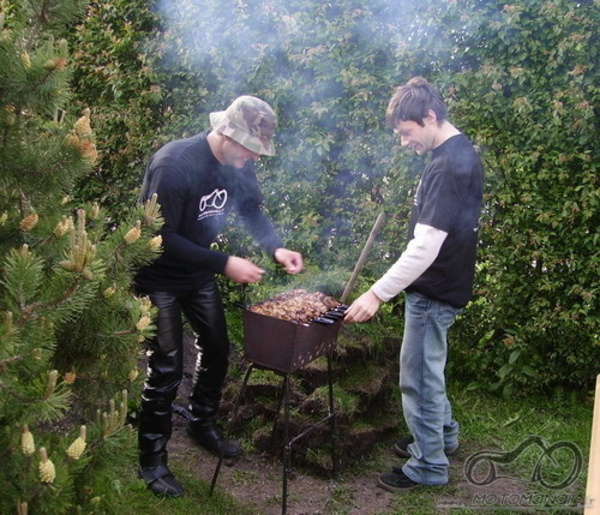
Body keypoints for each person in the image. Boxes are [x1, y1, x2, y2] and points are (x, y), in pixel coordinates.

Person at [134, 95, 304, 498]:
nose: (256, 158)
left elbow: (251, 210)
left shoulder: (238, 164)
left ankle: (201, 422)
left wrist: (275, 247)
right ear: (228, 134)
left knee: (218, 348)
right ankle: (152, 461)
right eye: (252, 148)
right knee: (167, 368)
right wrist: (225, 262)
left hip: (198, 274)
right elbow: (160, 238)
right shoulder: (174, 165)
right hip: (158, 277)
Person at [344, 77, 483, 492]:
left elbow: (425, 248)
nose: (404, 142)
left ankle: (428, 467)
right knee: (430, 369)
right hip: (445, 284)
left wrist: (375, 293)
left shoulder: (446, 167)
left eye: (406, 133)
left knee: (419, 376)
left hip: (435, 289)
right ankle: (442, 436)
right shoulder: (458, 153)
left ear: (429, 117)